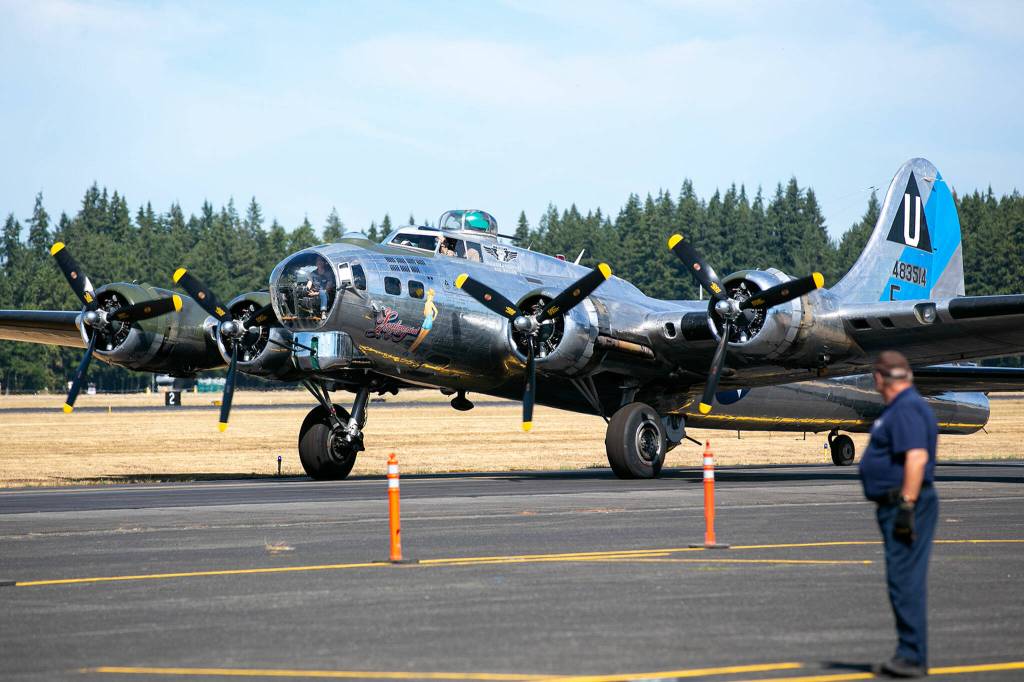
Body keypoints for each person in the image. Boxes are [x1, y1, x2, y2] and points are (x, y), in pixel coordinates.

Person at [859, 350, 939, 678]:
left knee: (904, 580)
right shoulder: (904, 407)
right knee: (903, 579)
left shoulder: (906, 408)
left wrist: (907, 505)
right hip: (899, 504)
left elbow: (917, 459)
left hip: (905, 505)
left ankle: (911, 655)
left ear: (879, 378)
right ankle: (909, 652)